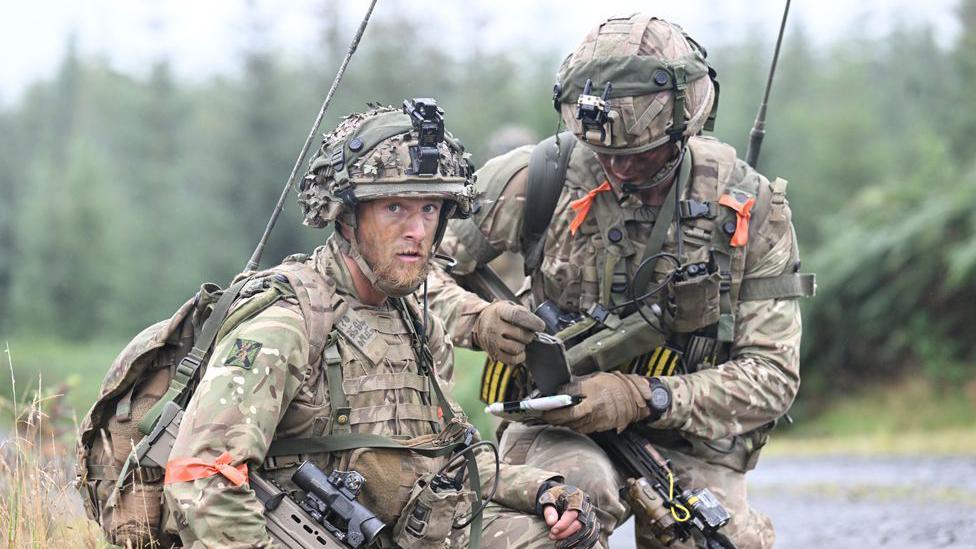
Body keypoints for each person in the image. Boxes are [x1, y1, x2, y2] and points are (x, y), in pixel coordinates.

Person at [427, 15, 813, 549]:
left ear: (685, 126)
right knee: (568, 507)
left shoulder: (748, 208)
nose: (619, 170)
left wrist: (644, 396)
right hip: (553, 427)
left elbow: (771, 376)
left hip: (689, 439)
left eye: (642, 154)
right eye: (605, 154)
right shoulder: (538, 177)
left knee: (717, 540)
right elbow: (412, 268)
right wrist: (477, 319)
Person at [161, 100, 601, 549]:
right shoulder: (286, 325)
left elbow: (452, 464)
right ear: (348, 219)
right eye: (395, 208)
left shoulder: (420, 328)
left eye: (430, 208)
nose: (417, 230)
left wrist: (543, 488)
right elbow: (201, 479)